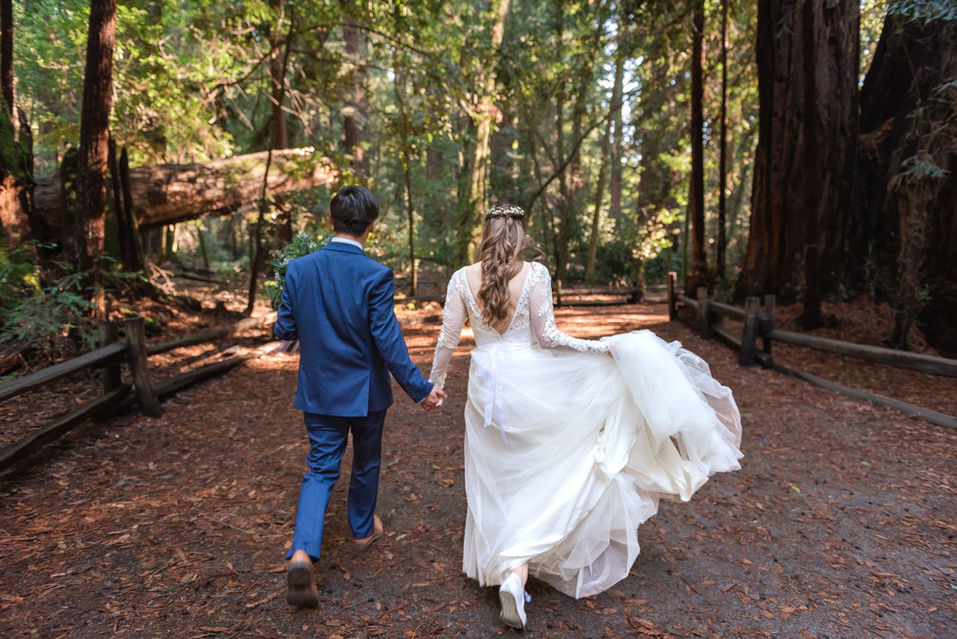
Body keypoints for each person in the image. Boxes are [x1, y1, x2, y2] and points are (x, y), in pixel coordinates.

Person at [428, 204, 742, 630]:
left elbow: (447, 339)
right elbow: (549, 338)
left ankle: (511, 569)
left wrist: (436, 382)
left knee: (495, 476)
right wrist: (602, 348)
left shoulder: (461, 278)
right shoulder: (536, 274)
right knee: (543, 471)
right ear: (520, 235)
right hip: (532, 385)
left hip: (486, 389)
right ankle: (517, 568)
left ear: (485, 233)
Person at [275, 185, 446, 607]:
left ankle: (301, 552)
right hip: (366, 393)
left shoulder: (298, 269)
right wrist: (420, 390)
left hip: (318, 391)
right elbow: (388, 342)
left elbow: (284, 329)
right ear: (369, 227)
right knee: (367, 460)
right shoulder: (375, 274)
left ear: (330, 221)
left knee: (319, 469)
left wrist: (291, 331)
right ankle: (361, 529)